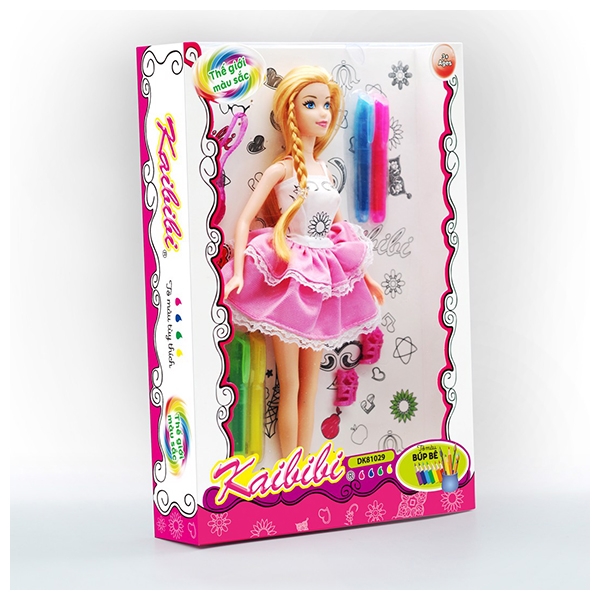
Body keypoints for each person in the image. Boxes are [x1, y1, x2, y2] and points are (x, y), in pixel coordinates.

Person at [222, 65, 384, 459]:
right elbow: (244, 220)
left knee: (310, 387)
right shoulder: (280, 168)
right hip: (292, 276)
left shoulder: (326, 170)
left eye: (326, 104)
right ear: (290, 111)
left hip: (323, 278)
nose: (323, 113)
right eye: (310, 104)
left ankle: (303, 466)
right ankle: (287, 467)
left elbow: (340, 230)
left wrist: (366, 277)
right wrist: (238, 272)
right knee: (289, 384)